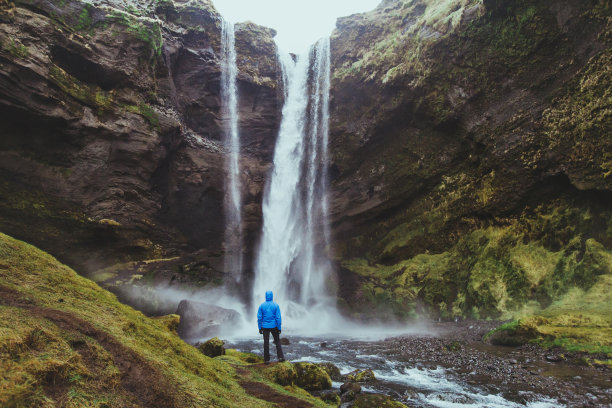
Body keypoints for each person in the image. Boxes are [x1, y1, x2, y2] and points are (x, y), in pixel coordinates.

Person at [257, 290, 285, 364]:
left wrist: (260, 327)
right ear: (272, 296)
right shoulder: (276, 305)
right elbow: (278, 318)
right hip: (274, 326)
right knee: (277, 341)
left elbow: (259, 317)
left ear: (265, 296)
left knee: (266, 342)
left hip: (265, 326)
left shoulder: (262, 305)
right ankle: (280, 357)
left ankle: (266, 359)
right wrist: (279, 328)